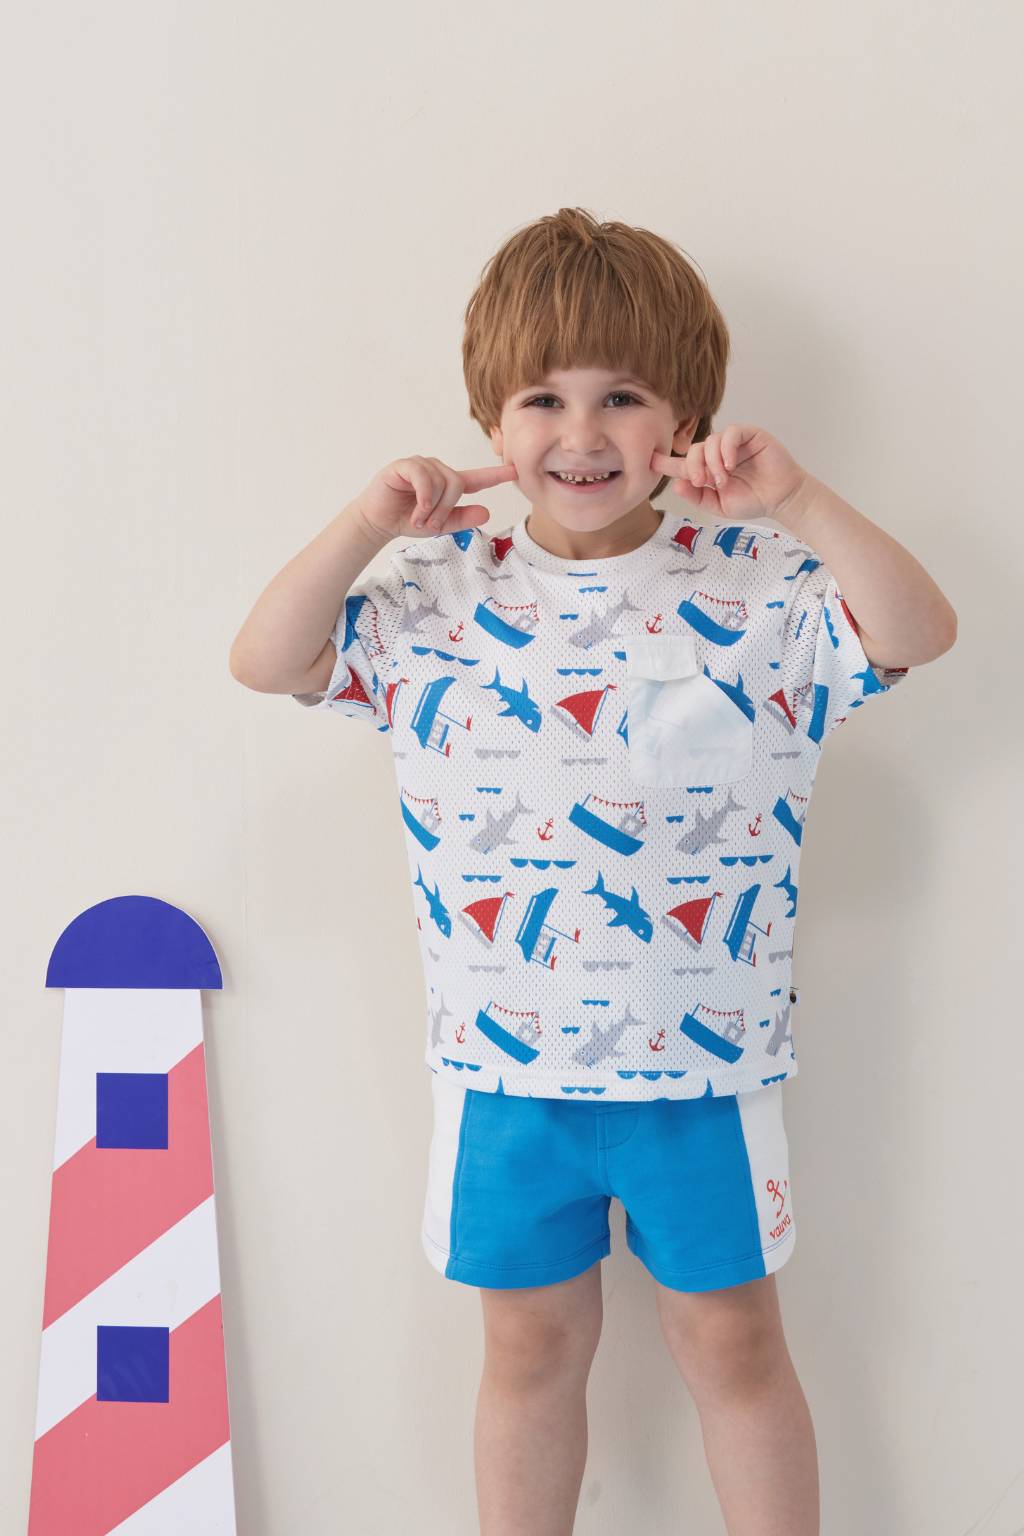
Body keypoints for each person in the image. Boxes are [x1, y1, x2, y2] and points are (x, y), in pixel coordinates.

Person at [229, 207, 957, 1536]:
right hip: (505, 1075)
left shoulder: (760, 587)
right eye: (543, 398)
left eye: (623, 396)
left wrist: (796, 499)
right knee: (527, 1356)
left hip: (708, 1073)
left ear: (686, 418)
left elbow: (919, 630)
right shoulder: (436, 595)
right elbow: (267, 659)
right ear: (490, 422)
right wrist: (366, 522)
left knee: (735, 1348)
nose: (582, 432)